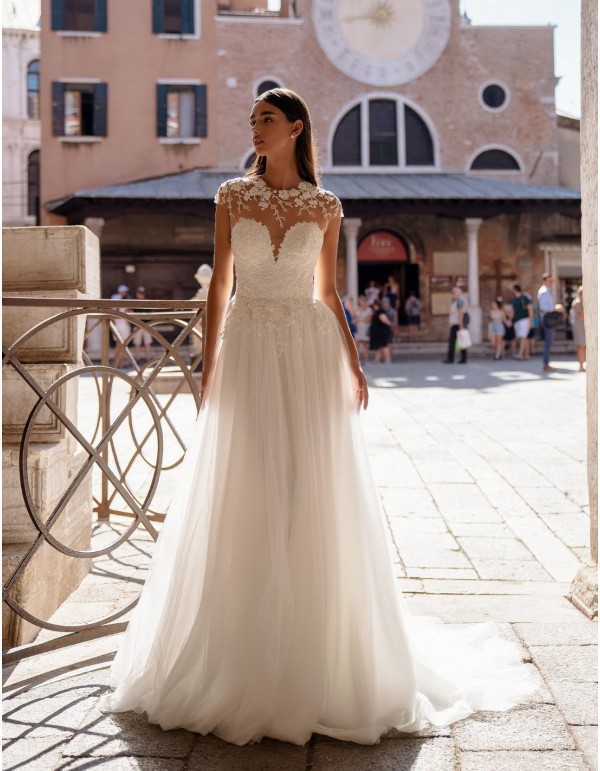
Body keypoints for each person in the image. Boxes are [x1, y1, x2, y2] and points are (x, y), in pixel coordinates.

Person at [100, 88, 535, 746]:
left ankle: (321, 650)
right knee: (245, 479)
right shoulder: (230, 198)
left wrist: (354, 360)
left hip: (307, 349)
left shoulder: (326, 205)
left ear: (296, 128)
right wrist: (206, 361)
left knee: (311, 484)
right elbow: (220, 283)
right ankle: (239, 647)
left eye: (266, 119)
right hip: (247, 344)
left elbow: (328, 289)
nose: (255, 128)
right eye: (252, 120)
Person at [538, 273, 558, 372]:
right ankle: (545, 365)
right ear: (545, 281)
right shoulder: (544, 292)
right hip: (547, 318)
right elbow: (543, 307)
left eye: (552, 281)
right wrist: (555, 308)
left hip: (549, 318)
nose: (551, 283)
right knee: (548, 343)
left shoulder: (548, 291)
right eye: (549, 281)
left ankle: (546, 363)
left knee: (549, 342)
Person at [443, 286, 468, 364]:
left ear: (458, 292)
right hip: (457, 323)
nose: (452, 294)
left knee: (454, 341)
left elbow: (461, 312)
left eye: (454, 293)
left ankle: (451, 359)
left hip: (457, 324)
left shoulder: (460, 300)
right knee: (461, 341)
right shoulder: (459, 300)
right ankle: (462, 358)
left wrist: (461, 325)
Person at [110, 283, 131, 368]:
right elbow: (128, 311)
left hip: (118, 324)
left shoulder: (114, 299)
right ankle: (120, 363)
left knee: (119, 345)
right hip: (122, 325)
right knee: (122, 345)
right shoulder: (124, 299)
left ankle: (119, 363)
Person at [132, 286, 154, 364]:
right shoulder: (135, 302)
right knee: (139, 344)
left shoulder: (136, 302)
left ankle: (147, 360)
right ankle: (139, 360)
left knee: (145, 343)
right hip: (141, 325)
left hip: (144, 325)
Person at [511, 284, 533, 360]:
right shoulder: (514, 300)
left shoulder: (524, 298)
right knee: (523, 337)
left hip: (524, 319)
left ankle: (520, 354)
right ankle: (526, 354)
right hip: (517, 320)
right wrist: (511, 319)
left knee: (523, 336)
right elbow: (513, 311)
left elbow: (530, 309)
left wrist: (531, 321)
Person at [369, 299, 393, 363]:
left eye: (374, 305)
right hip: (378, 332)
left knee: (383, 345)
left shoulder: (380, 312)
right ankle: (377, 359)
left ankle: (388, 360)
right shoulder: (378, 312)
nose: (373, 307)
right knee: (379, 346)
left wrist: (390, 325)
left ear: (376, 305)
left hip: (381, 332)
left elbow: (385, 320)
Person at [570, 285, 586, 372]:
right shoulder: (576, 302)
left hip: (583, 325)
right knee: (580, 346)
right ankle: (581, 365)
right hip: (578, 325)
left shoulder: (583, 302)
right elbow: (580, 316)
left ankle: (582, 364)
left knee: (583, 346)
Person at [354, 294, 372, 361]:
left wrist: (360, 320)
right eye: (361, 300)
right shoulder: (356, 309)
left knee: (365, 345)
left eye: (364, 300)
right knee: (357, 345)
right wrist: (362, 319)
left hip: (365, 329)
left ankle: (366, 359)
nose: (362, 302)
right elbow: (355, 319)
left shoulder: (369, 310)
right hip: (358, 329)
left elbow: (368, 320)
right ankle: (357, 360)